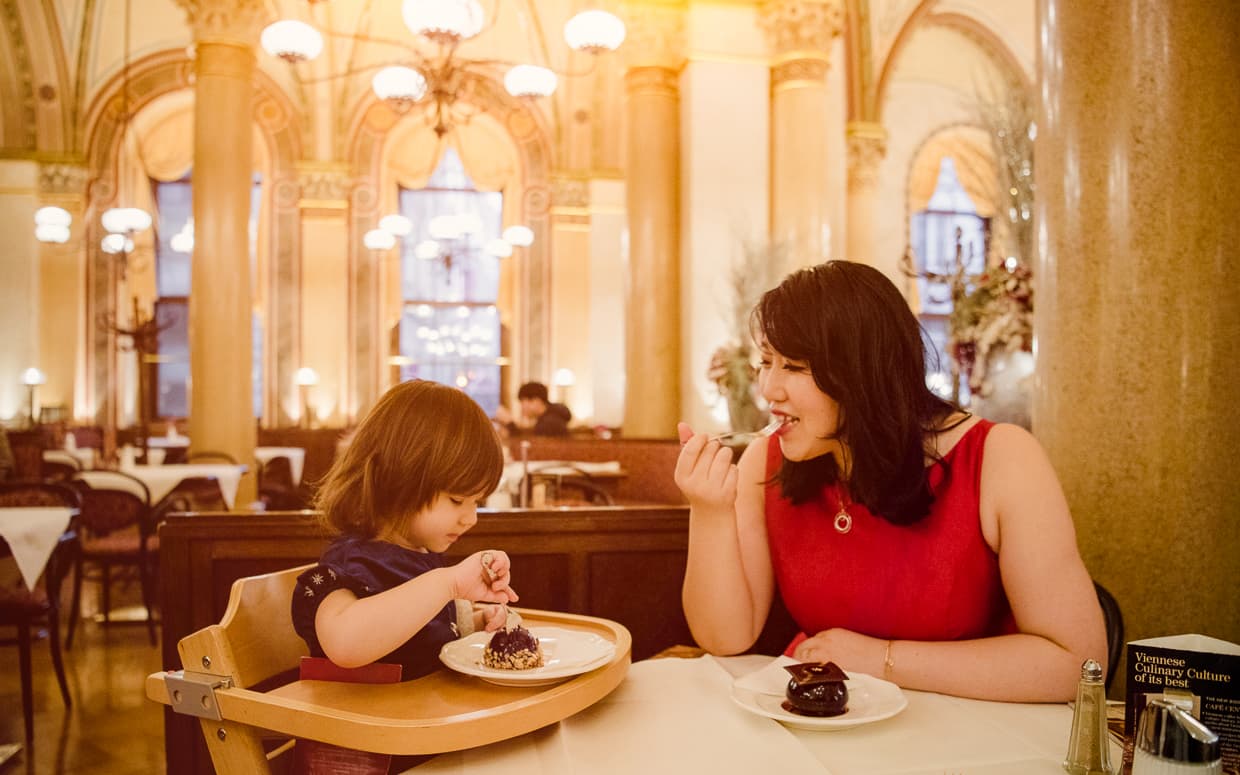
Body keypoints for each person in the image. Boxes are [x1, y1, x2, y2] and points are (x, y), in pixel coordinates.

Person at [675, 260, 1106, 703]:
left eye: (794, 366)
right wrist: (708, 512)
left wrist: (883, 659)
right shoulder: (766, 462)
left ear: (861, 370)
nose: (768, 388)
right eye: (767, 362)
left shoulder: (1000, 457)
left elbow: (1077, 663)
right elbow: (725, 637)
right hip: (824, 725)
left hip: (971, 732)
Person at [291, 380, 519, 682]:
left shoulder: (420, 555)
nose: (471, 518)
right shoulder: (352, 562)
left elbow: (421, 636)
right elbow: (345, 644)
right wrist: (447, 584)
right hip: (366, 725)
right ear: (400, 479)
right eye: (457, 500)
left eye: (477, 501)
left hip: (425, 719)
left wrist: (476, 622)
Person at [495, 381, 572, 437]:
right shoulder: (549, 418)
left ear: (536, 401)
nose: (522, 408)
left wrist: (509, 423)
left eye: (522, 402)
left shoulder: (549, 423)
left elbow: (533, 448)